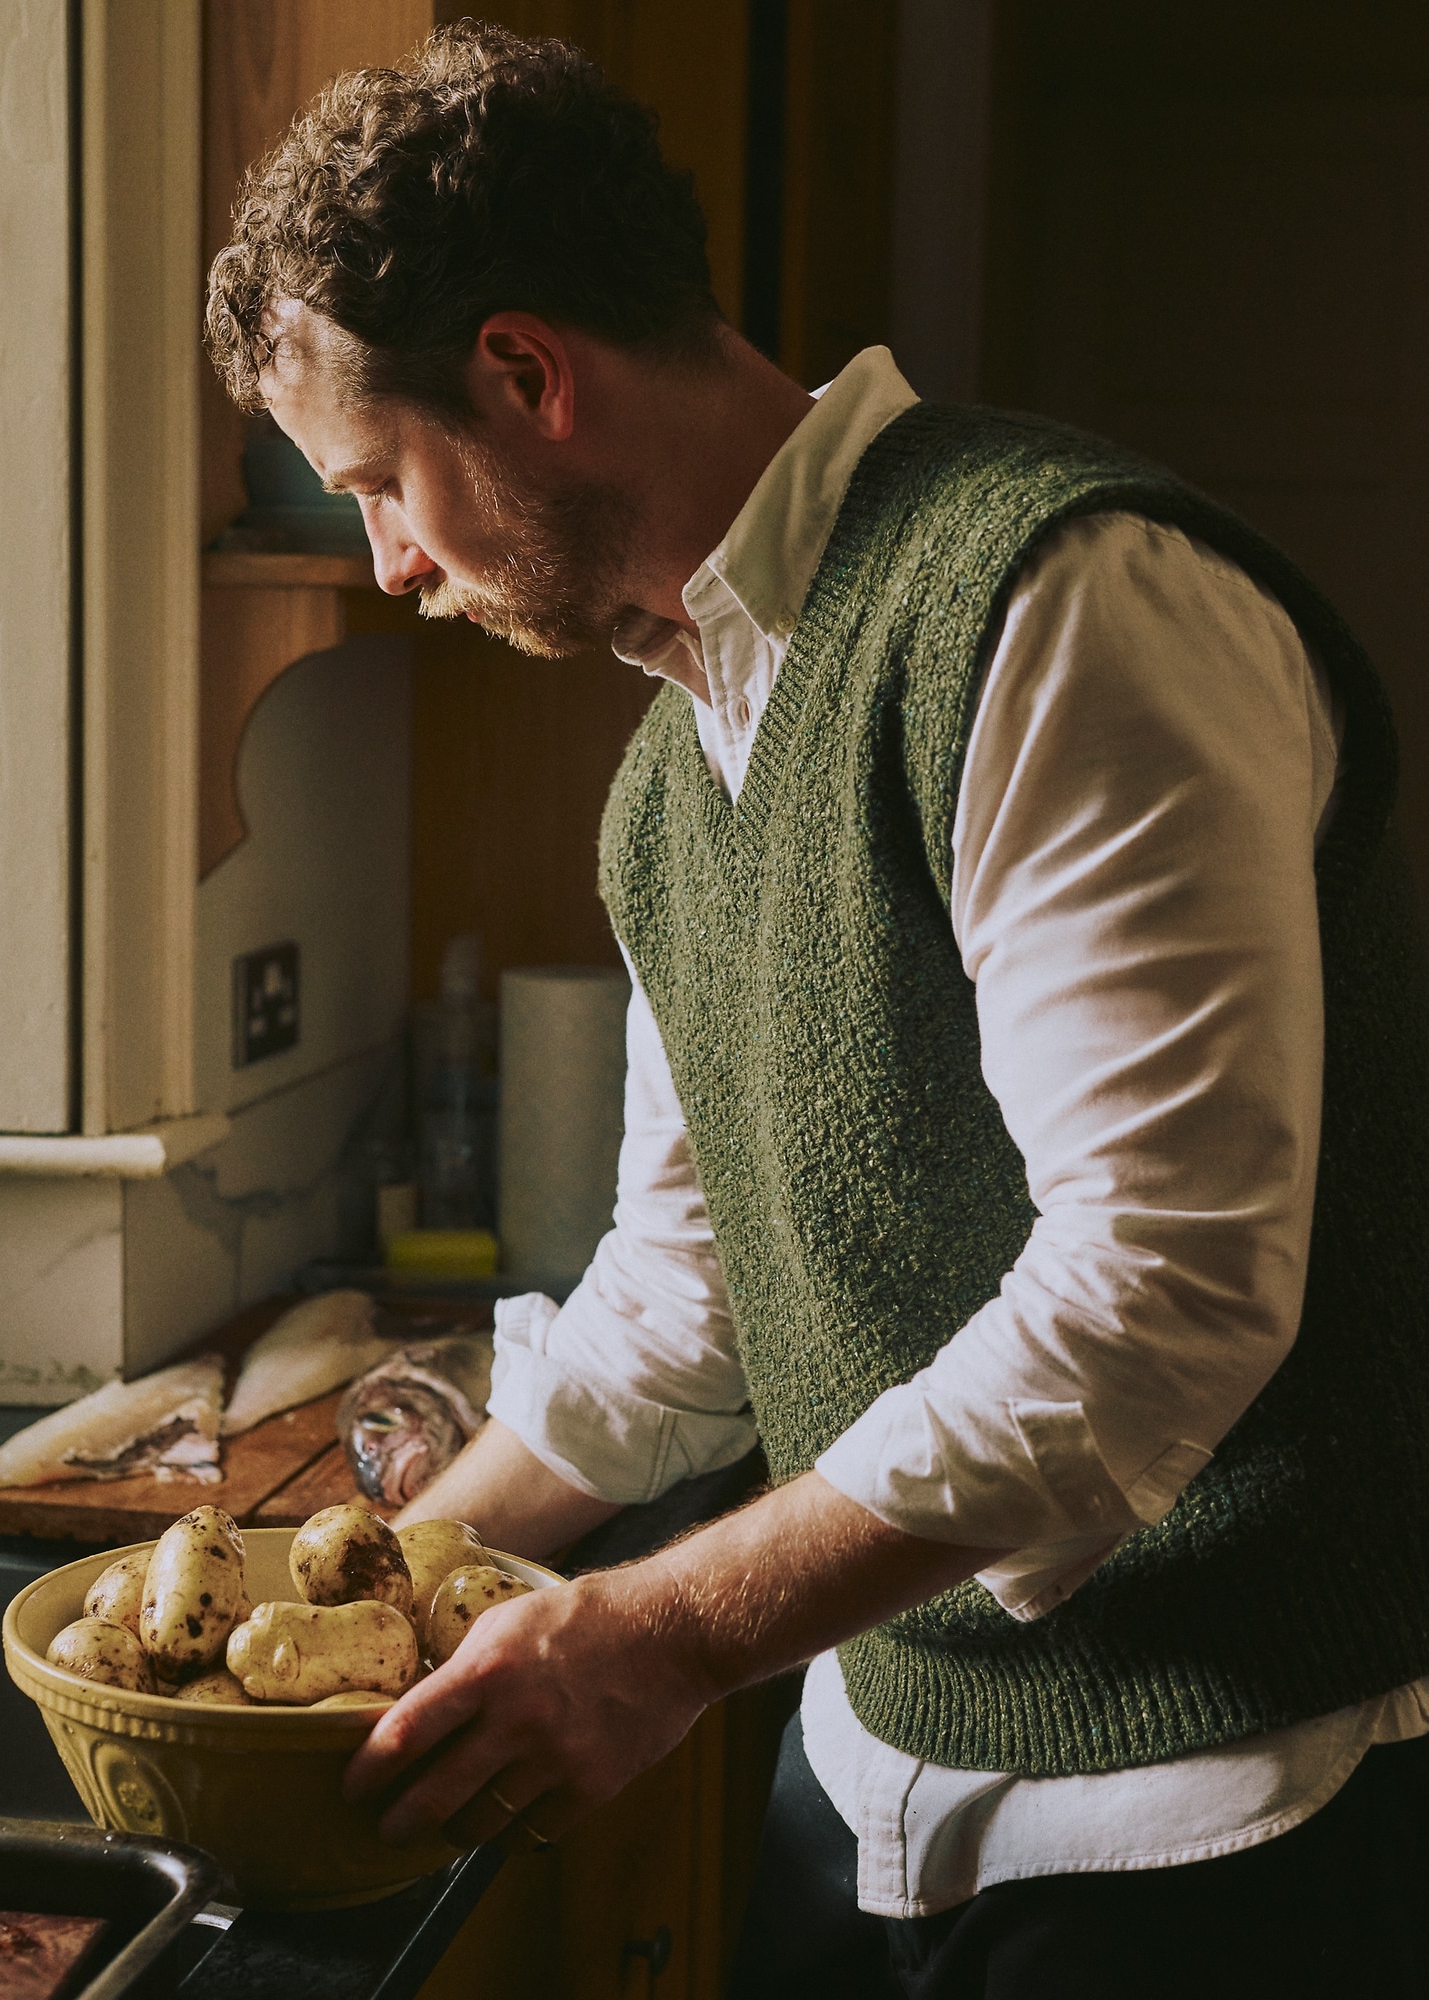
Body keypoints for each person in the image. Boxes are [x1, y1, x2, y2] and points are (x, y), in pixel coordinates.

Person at [205, 24, 1429, 1997]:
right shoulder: (669, 779)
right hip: (870, 1769)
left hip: (1211, 1804)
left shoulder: (1052, 601)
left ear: (526, 371)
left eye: (385, 482)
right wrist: (393, 1578)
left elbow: (1173, 1277)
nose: (393, 560)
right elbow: (692, 1298)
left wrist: (672, 1629)